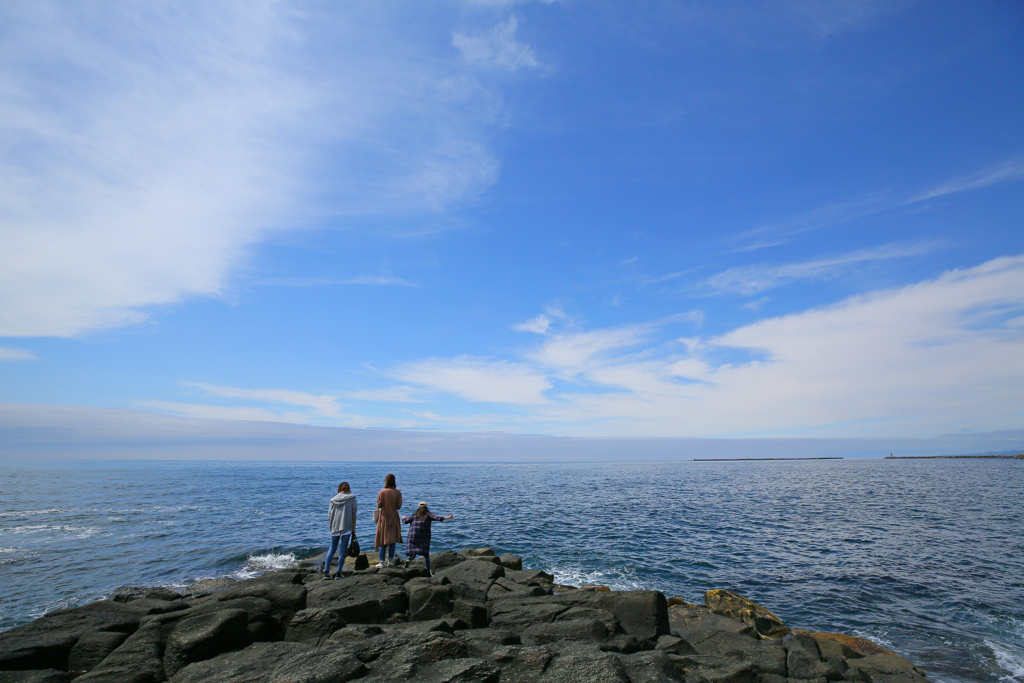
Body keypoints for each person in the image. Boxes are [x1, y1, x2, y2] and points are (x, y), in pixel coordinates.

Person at [402, 501, 452, 575]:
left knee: (413, 552)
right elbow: (437, 518)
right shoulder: (428, 515)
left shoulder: (414, 515)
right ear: (426, 508)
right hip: (423, 536)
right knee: (426, 555)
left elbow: (405, 522)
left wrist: (404, 518)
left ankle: (409, 560)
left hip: (413, 535)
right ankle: (428, 570)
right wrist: (447, 517)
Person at [323, 481, 357, 579]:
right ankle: (338, 572)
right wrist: (354, 528)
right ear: (349, 489)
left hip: (334, 527)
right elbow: (354, 514)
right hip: (346, 526)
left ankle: (326, 572)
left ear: (339, 489)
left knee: (332, 549)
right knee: (342, 550)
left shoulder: (333, 500)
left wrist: (332, 525)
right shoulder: (352, 498)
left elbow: (329, 516)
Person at [374, 473, 402, 568]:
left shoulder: (382, 492)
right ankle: (390, 560)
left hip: (384, 518)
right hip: (394, 517)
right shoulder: (398, 492)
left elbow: (379, 505)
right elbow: (399, 506)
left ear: (386, 481)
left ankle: (382, 562)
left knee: (383, 540)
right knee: (392, 540)